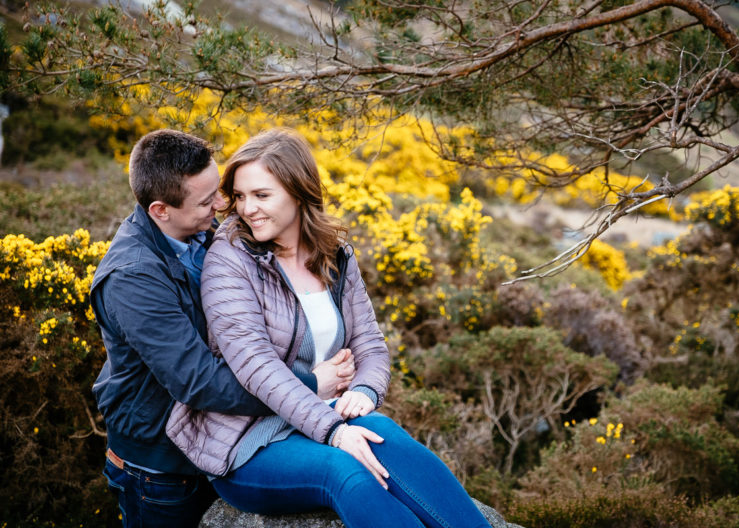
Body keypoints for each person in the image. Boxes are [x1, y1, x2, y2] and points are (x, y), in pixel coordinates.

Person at [166, 128, 492, 528]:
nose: (247, 208)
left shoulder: (333, 255)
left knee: (383, 433)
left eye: (262, 195)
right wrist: (334, 430)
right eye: (240, 196)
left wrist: (364, 391)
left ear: (298, 191)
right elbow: (256, 366)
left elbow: (369, 343)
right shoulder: (229, 259)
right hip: (247, 440)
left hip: (323, 413)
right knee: (346, 471)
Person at [90, 129, 356, 528]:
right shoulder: (133, 278)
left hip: (225, 438)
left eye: (218, 190)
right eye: (206, 201)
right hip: (162, 470)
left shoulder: (207, 234)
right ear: (161, 210)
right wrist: (309, 386)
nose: (222, 205)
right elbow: (199, 381)